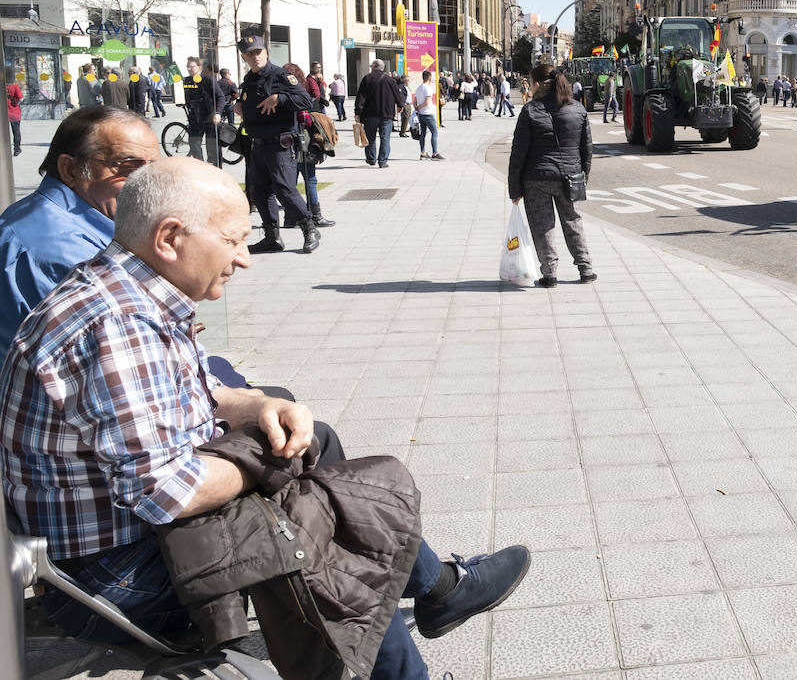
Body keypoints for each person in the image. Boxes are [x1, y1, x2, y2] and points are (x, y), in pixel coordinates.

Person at [0, 157, 531, 679]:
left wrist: (257, 406)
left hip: (123, 541)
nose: (245, 257)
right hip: (114, 576)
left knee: (315, 463)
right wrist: (269, 462)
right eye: (232, 240)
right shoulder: (119, 324)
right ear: (169, 238)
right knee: (323, 521)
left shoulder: (127, 289)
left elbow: (196, 391)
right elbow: (167, 492)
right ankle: (435, 605)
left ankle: (438, 596)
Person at [0, 107, 158, 351]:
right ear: (70, 170)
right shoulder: (60, 249)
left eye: (152, 169)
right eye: (127, 166)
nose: (145, 183)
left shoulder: (48, 215)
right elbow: (122, 354)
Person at [508, 64, 594, 288]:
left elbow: (518, 153)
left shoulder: (530, 110)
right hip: (571, 176)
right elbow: (587, 148)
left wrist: (515, 189)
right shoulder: (578, 109)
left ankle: (550, 274)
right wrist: (584, 174)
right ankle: (585, 269)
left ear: (536, 84)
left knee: (542, 225)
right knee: (573, 221)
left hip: (537, 179)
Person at [235, 34, 319, 254]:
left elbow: (306, 101)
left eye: (258, 52)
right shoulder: (249, 80)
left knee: (284, 189)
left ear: (266, 52)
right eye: (250, 54)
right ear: (244, 57)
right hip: (258, 144)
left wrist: (279, 99)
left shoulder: (280, 76)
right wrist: (238, 105)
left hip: (279, 144)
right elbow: (246, 99)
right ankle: (272, 237)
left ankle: (309, 228)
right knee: (260, 191)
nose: (255, 57)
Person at [284, 63, 336, 228]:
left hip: (284, 144)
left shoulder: (278, 93)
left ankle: (290, 217)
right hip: (301, 142)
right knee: (310, 179)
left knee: (290, 183)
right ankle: (315, 215)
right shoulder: (298, 94)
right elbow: (305, 119)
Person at [356, 58, 406, 167]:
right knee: (385, 138)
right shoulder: (390, 80)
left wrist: (358, 112)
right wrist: (400, 105)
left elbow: (361, 97)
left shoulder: (367, 79)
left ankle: (371, 158)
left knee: (370, 137)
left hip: (370, 114)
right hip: (386, 114)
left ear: (374, 66)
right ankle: (382, 161)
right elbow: (398, 94)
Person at [182, 56, 224, 165]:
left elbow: (220, 97)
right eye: (188, 67)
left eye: (191, 66)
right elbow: (188, 98)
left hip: (210, 117)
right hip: (195, 119)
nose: (189, 69)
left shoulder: (208, 79)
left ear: (199, 67)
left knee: (213, 148)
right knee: (194, 143)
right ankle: (200, 166)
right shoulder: (187, 80)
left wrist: (217, 113)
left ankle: (216, 170)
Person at [414, 70, 443, 160]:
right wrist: (420, 107)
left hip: (421, 114)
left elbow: (414, 101)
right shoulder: (428, 88)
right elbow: (427, 102)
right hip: (428, 113)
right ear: (429, 77)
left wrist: (417, 108)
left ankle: (423, 152)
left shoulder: (418, 88)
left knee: (422, 133)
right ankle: (435, 152)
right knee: (434, 132)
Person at [6, 69, 20, 156]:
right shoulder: (14, 86)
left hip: (4, 114)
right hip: (14, 113)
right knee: (16, 132)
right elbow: (19, 97)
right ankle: (17, 149)